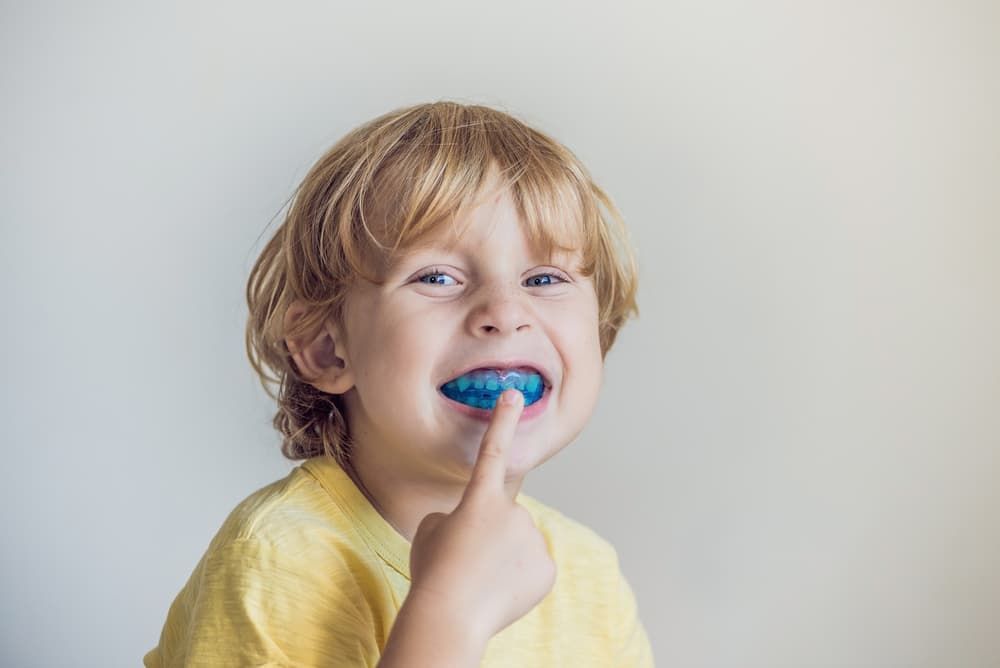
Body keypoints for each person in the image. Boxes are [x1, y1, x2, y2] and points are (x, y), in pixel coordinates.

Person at [144, 100, 654, 666]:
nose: (506, 312)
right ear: (326, 348)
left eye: (544, 278)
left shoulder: (590, 573)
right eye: (437, 277)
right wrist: (450, 610)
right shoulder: (278, 557)